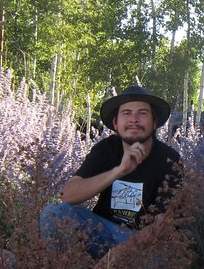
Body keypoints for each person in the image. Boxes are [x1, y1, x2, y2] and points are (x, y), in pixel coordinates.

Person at [40, 85, 183, 257]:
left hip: (142, 244)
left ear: (154, 123)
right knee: (54, 213)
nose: (134, 119)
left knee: (162, 257)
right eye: (126, 113)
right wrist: (118, 171)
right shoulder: (106, 149)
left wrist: (118, 256)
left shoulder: (170, 160)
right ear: (115, 123)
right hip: (100, 232)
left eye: (142, 113)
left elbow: (163, 225)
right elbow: (67, 195)